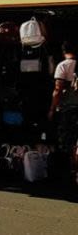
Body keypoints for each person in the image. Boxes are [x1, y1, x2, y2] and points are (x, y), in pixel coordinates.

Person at [49, 41, 78, 183]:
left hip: (69, 109)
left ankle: (70, 173)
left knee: (68, 142)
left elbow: (57, 90)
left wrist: (52, 109)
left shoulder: (63, 66)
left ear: (63, 51)